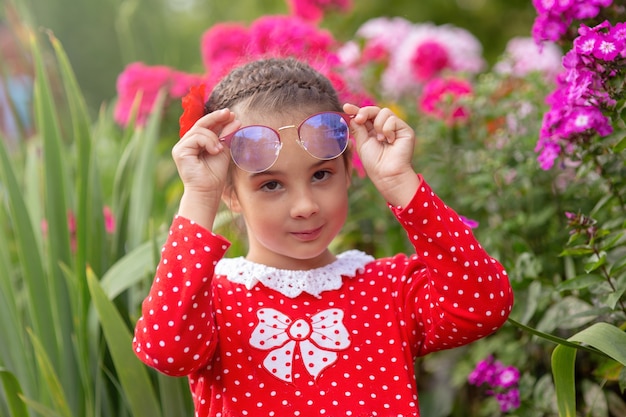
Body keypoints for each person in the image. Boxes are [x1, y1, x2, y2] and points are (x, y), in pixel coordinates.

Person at [133, 57, 514, 416]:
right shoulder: (212, 301)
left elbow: (484, 305)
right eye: (270, 185)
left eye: (320, 175)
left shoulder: (390, 289)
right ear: (230, 193)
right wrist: (199, 196)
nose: (304, 205)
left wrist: (400, 182)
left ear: (349, 170)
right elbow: (165, 350)